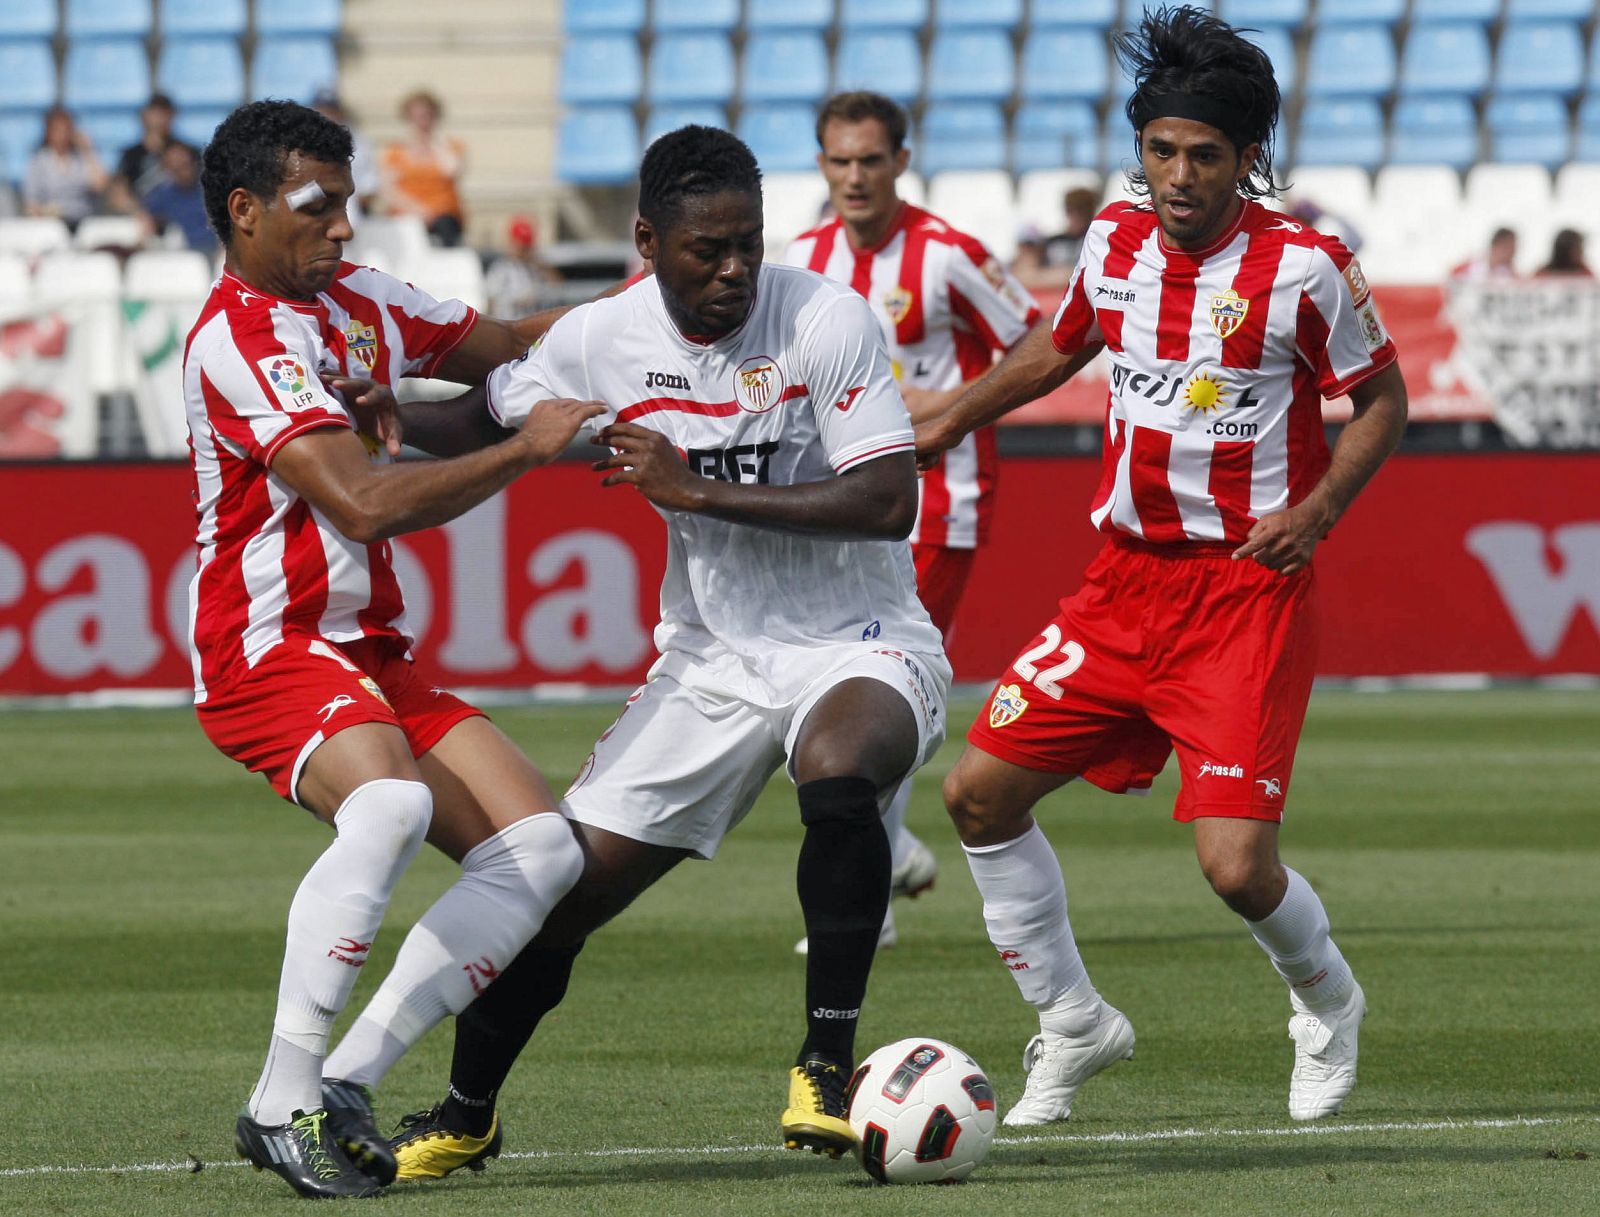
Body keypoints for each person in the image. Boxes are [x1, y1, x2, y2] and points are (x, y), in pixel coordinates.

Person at [369, 124, 950, 1180]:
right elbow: (485, 417)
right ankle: (466, 1111)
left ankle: (825, 1060)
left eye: (747, 245)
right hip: (710, 661)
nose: (733, 269)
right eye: (705, 250)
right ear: (645, 240)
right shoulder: (599, 337)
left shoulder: (823, 316)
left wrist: (692, 487)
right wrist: (386, 422)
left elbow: (885, 499)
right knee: (564, 895)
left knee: (837, 769)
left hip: (860, 637)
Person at [915, 4, 1408, 1128]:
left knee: (1235, 867)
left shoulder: (1305, 268)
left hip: (1241, 593)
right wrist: (949, 417)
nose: (1178, 174)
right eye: (1159, 150)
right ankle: (1075, 1021)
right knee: (975, 795)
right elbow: (1061, 342)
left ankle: (1326, 999)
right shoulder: (1115, 241)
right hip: (1120, 582)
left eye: (1203, 155)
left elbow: (1382, 399)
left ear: (1245, 161)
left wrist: (1320, 506)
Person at [185, 99, 599, 1199]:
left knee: (545, 852)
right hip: (267, 641)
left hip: (367, 647)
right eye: (318, 206)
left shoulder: (361, 299)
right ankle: (281, 1098)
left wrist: (663, 310)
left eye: (348, 203)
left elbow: (509, 345)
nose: (343, 227)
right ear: (246, 211)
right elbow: (362, 505)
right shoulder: (239, 334)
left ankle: (347, 1082)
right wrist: (525, 447)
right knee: (391, 804)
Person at [785, 90, 1040, 954]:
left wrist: (936, 404)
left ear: (900, 160)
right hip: (845, 493)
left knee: (879, 679)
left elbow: (1036, 340)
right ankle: (890, 852)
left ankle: (868, 903)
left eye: (870, 160)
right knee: (838, 675)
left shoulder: (949, 255)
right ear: (821, 166)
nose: (854, 177)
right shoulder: (804, 255)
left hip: (940, 496)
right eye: (838, 162)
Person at [381, 89, 465, 247]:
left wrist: (436, 142)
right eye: (417, 116)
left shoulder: (450, 146)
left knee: (445, 226)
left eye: (427, 115)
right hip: (407, 217)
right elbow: (389, 190)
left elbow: (452, 171)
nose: (422, 121)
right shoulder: (397, 151)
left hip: (444, 217)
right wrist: (419, 211)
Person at [22, 106, 107, 230]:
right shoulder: (39, 161)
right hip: (50, 225)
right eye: (57, 130)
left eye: (66, 129)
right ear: (48, 132)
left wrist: (88, 151)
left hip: (84, 223)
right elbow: (30, 202)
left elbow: (100, 186)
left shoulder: (82, 158)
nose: (62, 135)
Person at [109, 93, 193, 214]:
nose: (161, 119)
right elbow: (118, 195)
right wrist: (140, 213)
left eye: (165, 113)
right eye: (156, 113)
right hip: (139, 222)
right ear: (145, 116)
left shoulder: (186, 152)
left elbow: (195, 190)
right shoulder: (130, 155)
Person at [310, 89, 379, 221]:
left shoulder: (357, 140)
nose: (327, 115)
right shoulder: (303, 142)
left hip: (351, 210)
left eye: (331, 110)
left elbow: (369, 184)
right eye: (322, 110)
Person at [140, 141, 214, 253]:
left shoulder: (212, 189)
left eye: (184, 165)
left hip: (213, 252)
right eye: (174, 167)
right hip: (178, 255)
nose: (181, 171)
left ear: (194, 162)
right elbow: (148, 218)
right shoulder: (162, 194)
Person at [485, 214, 562, 318]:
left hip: (533, 323)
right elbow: (491, 301)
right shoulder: (501, 269)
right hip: (509, 323)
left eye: (526, 247)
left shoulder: (537, 266)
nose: (523, 250)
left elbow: (558, 286)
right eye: (521, 246)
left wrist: (538, 264)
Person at [1450, 226, 1518, 282]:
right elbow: (1452, 276)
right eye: (1509, 247)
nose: (1513, 252)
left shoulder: (1507, 272)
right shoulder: (1473, 265)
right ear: (1497, 245)